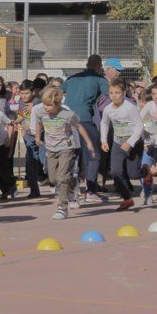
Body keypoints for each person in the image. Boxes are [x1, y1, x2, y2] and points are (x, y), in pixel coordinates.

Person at [35, 87, 97, 219]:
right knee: (53, 179)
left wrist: (89, 143)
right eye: (44, 104)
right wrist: (37, 137)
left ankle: (62, 208)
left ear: (57, 104)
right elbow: (39, 123)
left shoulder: (67, 115)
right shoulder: (41, 113)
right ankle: (71, 187)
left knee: (62, 178)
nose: (46, 108)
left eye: (49, 105)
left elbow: (79, 127)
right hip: (51, 149)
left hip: (66, 149)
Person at [61, 54, 110, 199]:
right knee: (94, 155)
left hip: (66, 119)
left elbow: (57, 91)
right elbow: (111, 95)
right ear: (99, 66)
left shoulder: (72, 79)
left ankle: (69, 189)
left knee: (72, 155)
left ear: (87, 64)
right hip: (84, 119)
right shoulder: (100, 79)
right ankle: (91, 190)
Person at [100, 79, 142, 212]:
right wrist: (104, 141)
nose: (114, 95)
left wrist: (130, 142)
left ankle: (146, 172)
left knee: (134, 174)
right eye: (111, 93)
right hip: (118, 143)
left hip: (133, 143)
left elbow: (139, 126)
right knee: (115, 171)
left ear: (124, 93)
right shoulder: (108, 109)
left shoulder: (130, 108)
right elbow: (104, 123)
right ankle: (126, 199)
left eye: (117, 92)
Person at [15, 80, 43, 198]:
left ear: (33, 92)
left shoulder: (37, 102)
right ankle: (34, 190)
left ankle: (45, 179)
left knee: (39, 161)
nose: (24, 96)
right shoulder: (22, 102)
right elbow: (22, 115)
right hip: (28, 137)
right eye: (22, 93)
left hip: (40, 136)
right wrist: (15, 122)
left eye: (27, 93)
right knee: (30, 163)